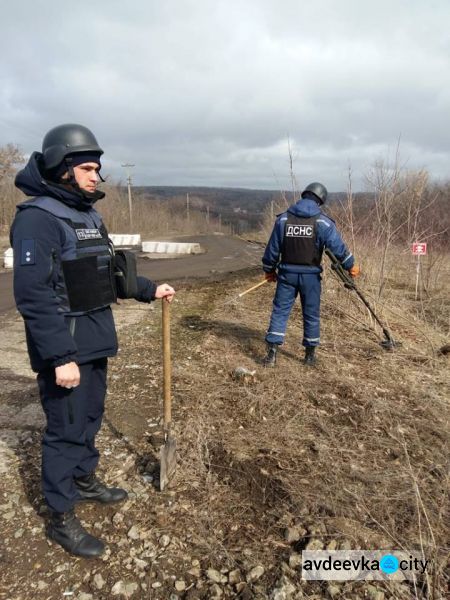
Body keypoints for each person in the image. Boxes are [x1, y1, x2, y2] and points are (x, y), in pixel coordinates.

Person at [10, 123, 175, 558]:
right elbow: (33, 294)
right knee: (65, 428)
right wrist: (59, 356)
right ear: (61, 167)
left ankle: (84, 479)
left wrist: (146, 288)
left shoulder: (87, 215)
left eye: (97, 169)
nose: (95, 176)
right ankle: (61, 515)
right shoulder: (37, 219)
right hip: (64, 346)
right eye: (87, 167)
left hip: (97, 336)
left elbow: (107, 274)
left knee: (90, 416)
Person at [262, 182, 359, 367]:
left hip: (286, 275)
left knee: (280, 312)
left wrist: (269, 270)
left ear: (304, 195)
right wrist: (351, 265)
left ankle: (272, 354)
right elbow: (338, 248)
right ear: (320, 200)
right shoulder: (322, 222)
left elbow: (272, 250)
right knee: (311, 314)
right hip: (311, 278)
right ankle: (309, 356)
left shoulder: (283, 220)